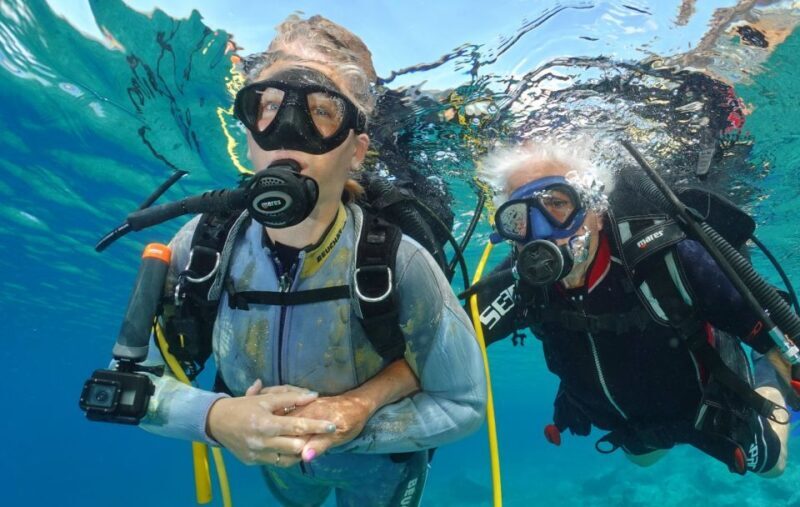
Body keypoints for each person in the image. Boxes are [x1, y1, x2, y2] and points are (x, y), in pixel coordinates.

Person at [140, 14, 486, 506]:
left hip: (382, 469)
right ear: (247, 131)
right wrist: (218, 419)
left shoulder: (400, 262)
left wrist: (354, 418)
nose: (288, 132)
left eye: (322, 112)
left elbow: (464, 403)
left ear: (358, 149)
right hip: (283, 472)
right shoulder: (202, 245)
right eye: (269, 106)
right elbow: (128, 383)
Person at [471, 141, 790, 476]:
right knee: (641, 459)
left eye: (557, 204)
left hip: (709, 407)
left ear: (596, 212)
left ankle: (762, 376)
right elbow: (445, 344)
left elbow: (778, 334)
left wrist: (776, 361)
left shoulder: (665, 258)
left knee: (772, 466)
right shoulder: (521, 282)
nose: (540, 231)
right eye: (518, 217)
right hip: (636, 428)